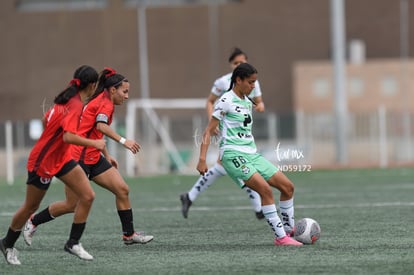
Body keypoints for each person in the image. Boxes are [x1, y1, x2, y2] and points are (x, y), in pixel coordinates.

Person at [23, 67, 153, 248]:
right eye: (125, 91)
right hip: (77, 159)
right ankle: (33, 221)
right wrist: (124, 141)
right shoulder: (105, 103)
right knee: (71, 205)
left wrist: (106, 156)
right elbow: (100, 127)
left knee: (122, 190)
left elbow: (94, 133)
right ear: (113, 89)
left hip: (93, 157)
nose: (126, 96)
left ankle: (129, 235)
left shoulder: (104, 101)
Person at [0, 65, 106, 265]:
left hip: (61, 159)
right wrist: (95, 143)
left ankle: (73, 243)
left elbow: (44, 119)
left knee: (87, 195)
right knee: (31, 206)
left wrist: (52, 140)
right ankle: (7, 243)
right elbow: (67, 136)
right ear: (92, 86)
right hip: (44, 162)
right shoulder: (73, 104)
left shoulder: (66, 98)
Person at [196, 63, 302, 246]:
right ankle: (281, 237)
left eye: (255, 82)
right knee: (265, 191)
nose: (253, 86)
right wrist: (202, 160)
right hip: (232, 155)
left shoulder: (247, 101)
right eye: (251, 82)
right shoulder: (225, 100)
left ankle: (289, 230)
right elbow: (208, 131)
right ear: (238, 80)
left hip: (252, 154)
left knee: (288, 187)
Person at [180, 47, 265, 219]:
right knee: (243, 168)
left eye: (242, 62)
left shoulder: (252, 81)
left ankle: (190, 196)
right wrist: (214, 121)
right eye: (236, 63)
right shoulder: (222, 82)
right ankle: (259, 209)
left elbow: (258, 101)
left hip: (243, 131)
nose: (239, 65)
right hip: (228, 130)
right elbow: (210, 102)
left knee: (224, 167)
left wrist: (260, 105)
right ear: (230, 65)